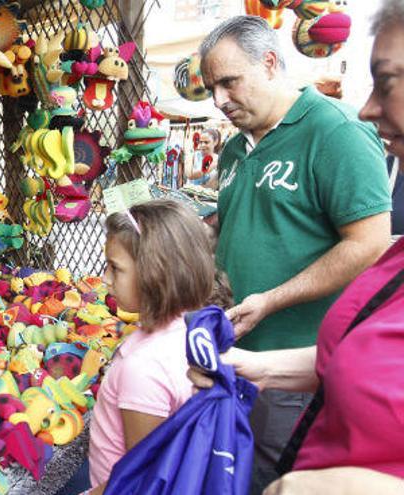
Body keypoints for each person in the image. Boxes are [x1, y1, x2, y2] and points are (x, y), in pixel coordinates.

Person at [198, 15, 392, 494]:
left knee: (276, 478)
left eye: (228, 82)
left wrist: (272, 299)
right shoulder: (234, 150)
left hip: (299, 367)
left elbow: (368, 243)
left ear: (268, 63)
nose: (219, 100)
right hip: (237, 356)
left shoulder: (335, 132)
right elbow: (238, 221)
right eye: (210, 88)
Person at [85, 199, 216, 493]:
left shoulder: (142, 369)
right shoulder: (189, 331)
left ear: (153, 273)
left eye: (115, 269)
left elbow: (141, 478)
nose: (105, 279)